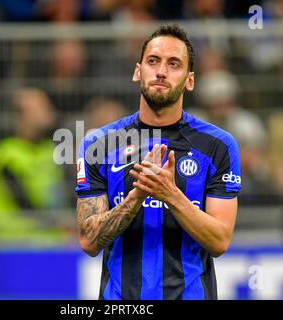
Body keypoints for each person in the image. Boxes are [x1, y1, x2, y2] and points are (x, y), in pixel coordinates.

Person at [75, 24, 241, 300]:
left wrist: (170, 194)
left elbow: (220, 240)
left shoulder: (218, 146)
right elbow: (89, 242)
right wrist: (137, 196)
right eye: (153, 61)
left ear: (190, 80)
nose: (161, 71)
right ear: (138, 71)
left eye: (174, 64)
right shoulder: (99, 144)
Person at [0, 88, 69, 244]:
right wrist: (61, 224)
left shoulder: (49, 149)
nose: (49, 111)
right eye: (40, 107)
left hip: (51, 242)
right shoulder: (6, 154)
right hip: (12, 243)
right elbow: (23, 202)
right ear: (21, 117)